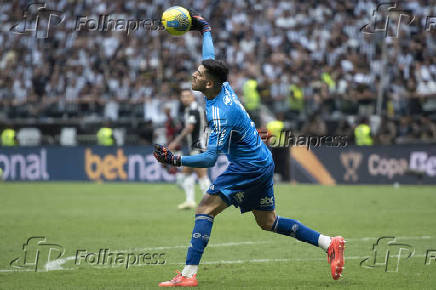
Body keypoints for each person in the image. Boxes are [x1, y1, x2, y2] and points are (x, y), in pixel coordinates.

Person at [153, 11, 345, 287]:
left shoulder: (221, 113)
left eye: (197, 74)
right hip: (261, 160)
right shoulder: (221, 86)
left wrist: (175, 159)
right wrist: (204, 29)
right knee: (268, 222)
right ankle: (329, 243)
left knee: (205, 209)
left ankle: (187, 275)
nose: (193, 75)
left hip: (248, 166)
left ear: (207, 83)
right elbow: (209, 59)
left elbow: (209, 159)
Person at [168, 89, 210, 209]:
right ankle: (190, 201)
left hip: (198, 146)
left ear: (192, 97)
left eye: (187, 96)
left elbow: (190, 128)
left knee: (201, 174)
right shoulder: (192, 109)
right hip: (197, 146)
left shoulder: (193, 109)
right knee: (186, 172)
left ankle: (209, 202)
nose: (185, 98)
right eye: (183, 96)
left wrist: (175, 142)